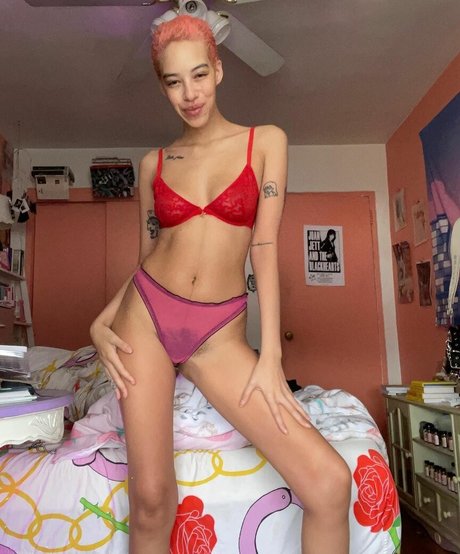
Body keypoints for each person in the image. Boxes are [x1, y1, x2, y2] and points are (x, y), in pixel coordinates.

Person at [90, 14, 351, 554]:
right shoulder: (153, 164)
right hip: (145, 317)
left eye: (200, 74)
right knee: (151, 501)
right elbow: (147, 258)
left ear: (220, 69)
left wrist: (271, 355)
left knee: (329, 484)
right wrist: (102, 321)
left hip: (218, 332)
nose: (190, 94)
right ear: (162, 86)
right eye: (174, 82)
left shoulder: (265, 142)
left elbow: (264, 246)